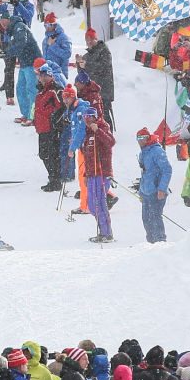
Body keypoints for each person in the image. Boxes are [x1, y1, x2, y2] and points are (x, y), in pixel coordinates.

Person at [79, 107, 115, 243]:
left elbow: (110, 142)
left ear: (95, 117)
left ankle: (107, 233)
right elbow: (87, 157)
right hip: (92, 173)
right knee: (92, 205)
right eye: (85, 117)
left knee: (100, 203)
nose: (87, 120)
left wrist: (97, 130)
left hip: (102, 172)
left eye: (90, 117)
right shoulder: (87, 134)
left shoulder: (102, 127)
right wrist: (86, 175)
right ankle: (103, 231)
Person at [136, 129, 171, 244]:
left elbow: (167, 170)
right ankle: (151, 243)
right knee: (146, 219)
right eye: (138, 138)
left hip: (156, 192)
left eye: (142, 138)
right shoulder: (143, 153)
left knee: (155, 218)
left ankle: (160, 242)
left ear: (148, 137)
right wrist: (141, 191)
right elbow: (144, 173)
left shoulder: (156, 150)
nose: (140, 141)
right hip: (146, 192)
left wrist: (162, 188)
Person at [78, 29, 115, 130]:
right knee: (96, 114)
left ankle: (108, 135)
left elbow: (103, 67)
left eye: (91, 39)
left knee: (104, 113)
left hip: (104, 89)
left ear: (96, 39)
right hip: (93, 91)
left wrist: (87, 65)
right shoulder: (87, 55)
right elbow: (83, 76)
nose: (89, 42)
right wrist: (80, 65)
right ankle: (100, 135)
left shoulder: (104, 50)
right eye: (87, 40)